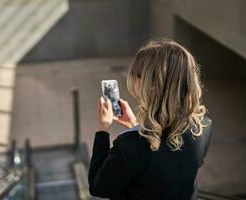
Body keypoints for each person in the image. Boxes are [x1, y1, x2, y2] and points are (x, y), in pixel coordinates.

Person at [88, 38, 213, 200]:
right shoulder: (204, 125)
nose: (133, 78)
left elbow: (98, 187)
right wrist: (135, 126)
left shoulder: (130, 145)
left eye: (138, 75)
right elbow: (162, 166)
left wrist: (102, 130)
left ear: (153, 85)